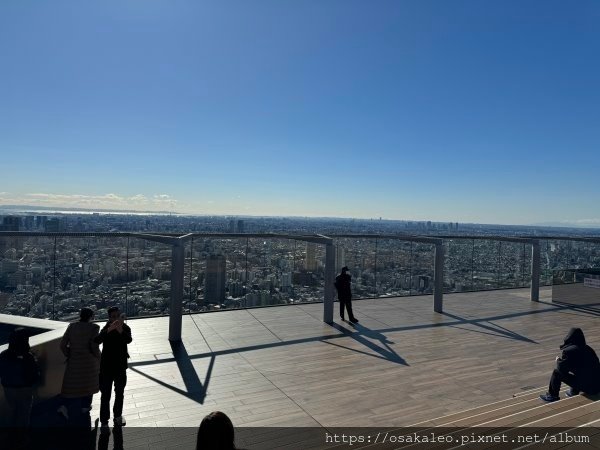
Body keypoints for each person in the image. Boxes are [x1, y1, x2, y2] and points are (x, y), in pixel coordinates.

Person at [58, 307, 101, 421]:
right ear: (91, 317)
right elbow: (94, 346)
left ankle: (64, 406)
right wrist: (99, 357)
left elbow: (62, 345)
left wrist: (69, 354)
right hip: (89, 362)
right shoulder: (94, 328)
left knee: (71, 385)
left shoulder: (72, 326)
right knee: (88, 385)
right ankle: (85, 407)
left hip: (74, 361)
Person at [95, 306, 132, 430]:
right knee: (106, 395)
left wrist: (120, 329)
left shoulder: (125, 328)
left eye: (117, 316)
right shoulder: (106, 328)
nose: (116, 318)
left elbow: (129, 340)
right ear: (109, 318)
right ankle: (104, 421)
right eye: (113, 316)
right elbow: (97, 340)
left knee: (119, 393)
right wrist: (110, 329)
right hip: (106, 367)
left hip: (120, 366)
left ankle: (117, 416)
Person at [540, 327, 600, 402]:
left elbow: (561, 369)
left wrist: (558, 360)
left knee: (556, 373)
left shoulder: (569, 351)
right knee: (581, 370)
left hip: (587, 388)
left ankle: (552, 396)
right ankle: (574, 391)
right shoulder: (589, 349)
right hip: (597, 386)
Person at [0, 327, 40, 426]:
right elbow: (34, 374)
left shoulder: (3, 355)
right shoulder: (29, 357)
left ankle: (9, 435)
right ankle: (22, 437)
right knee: (24, 413)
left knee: (10, 411)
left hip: (8, 388)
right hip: (25, 388)